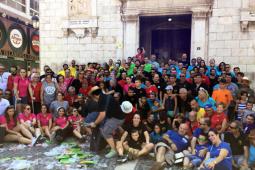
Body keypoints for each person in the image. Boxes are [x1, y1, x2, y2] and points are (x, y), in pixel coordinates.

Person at [89, 86, 132, 158]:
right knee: (103, 130)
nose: (93, 99)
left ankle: (114, 150)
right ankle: (113, 142)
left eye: (93, 97)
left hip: (117, 118)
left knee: (105, 131)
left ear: (95, 95)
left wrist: (95, 123)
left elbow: (102, 115)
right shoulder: (104, 96)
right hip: (114, 117)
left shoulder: (102, 100)